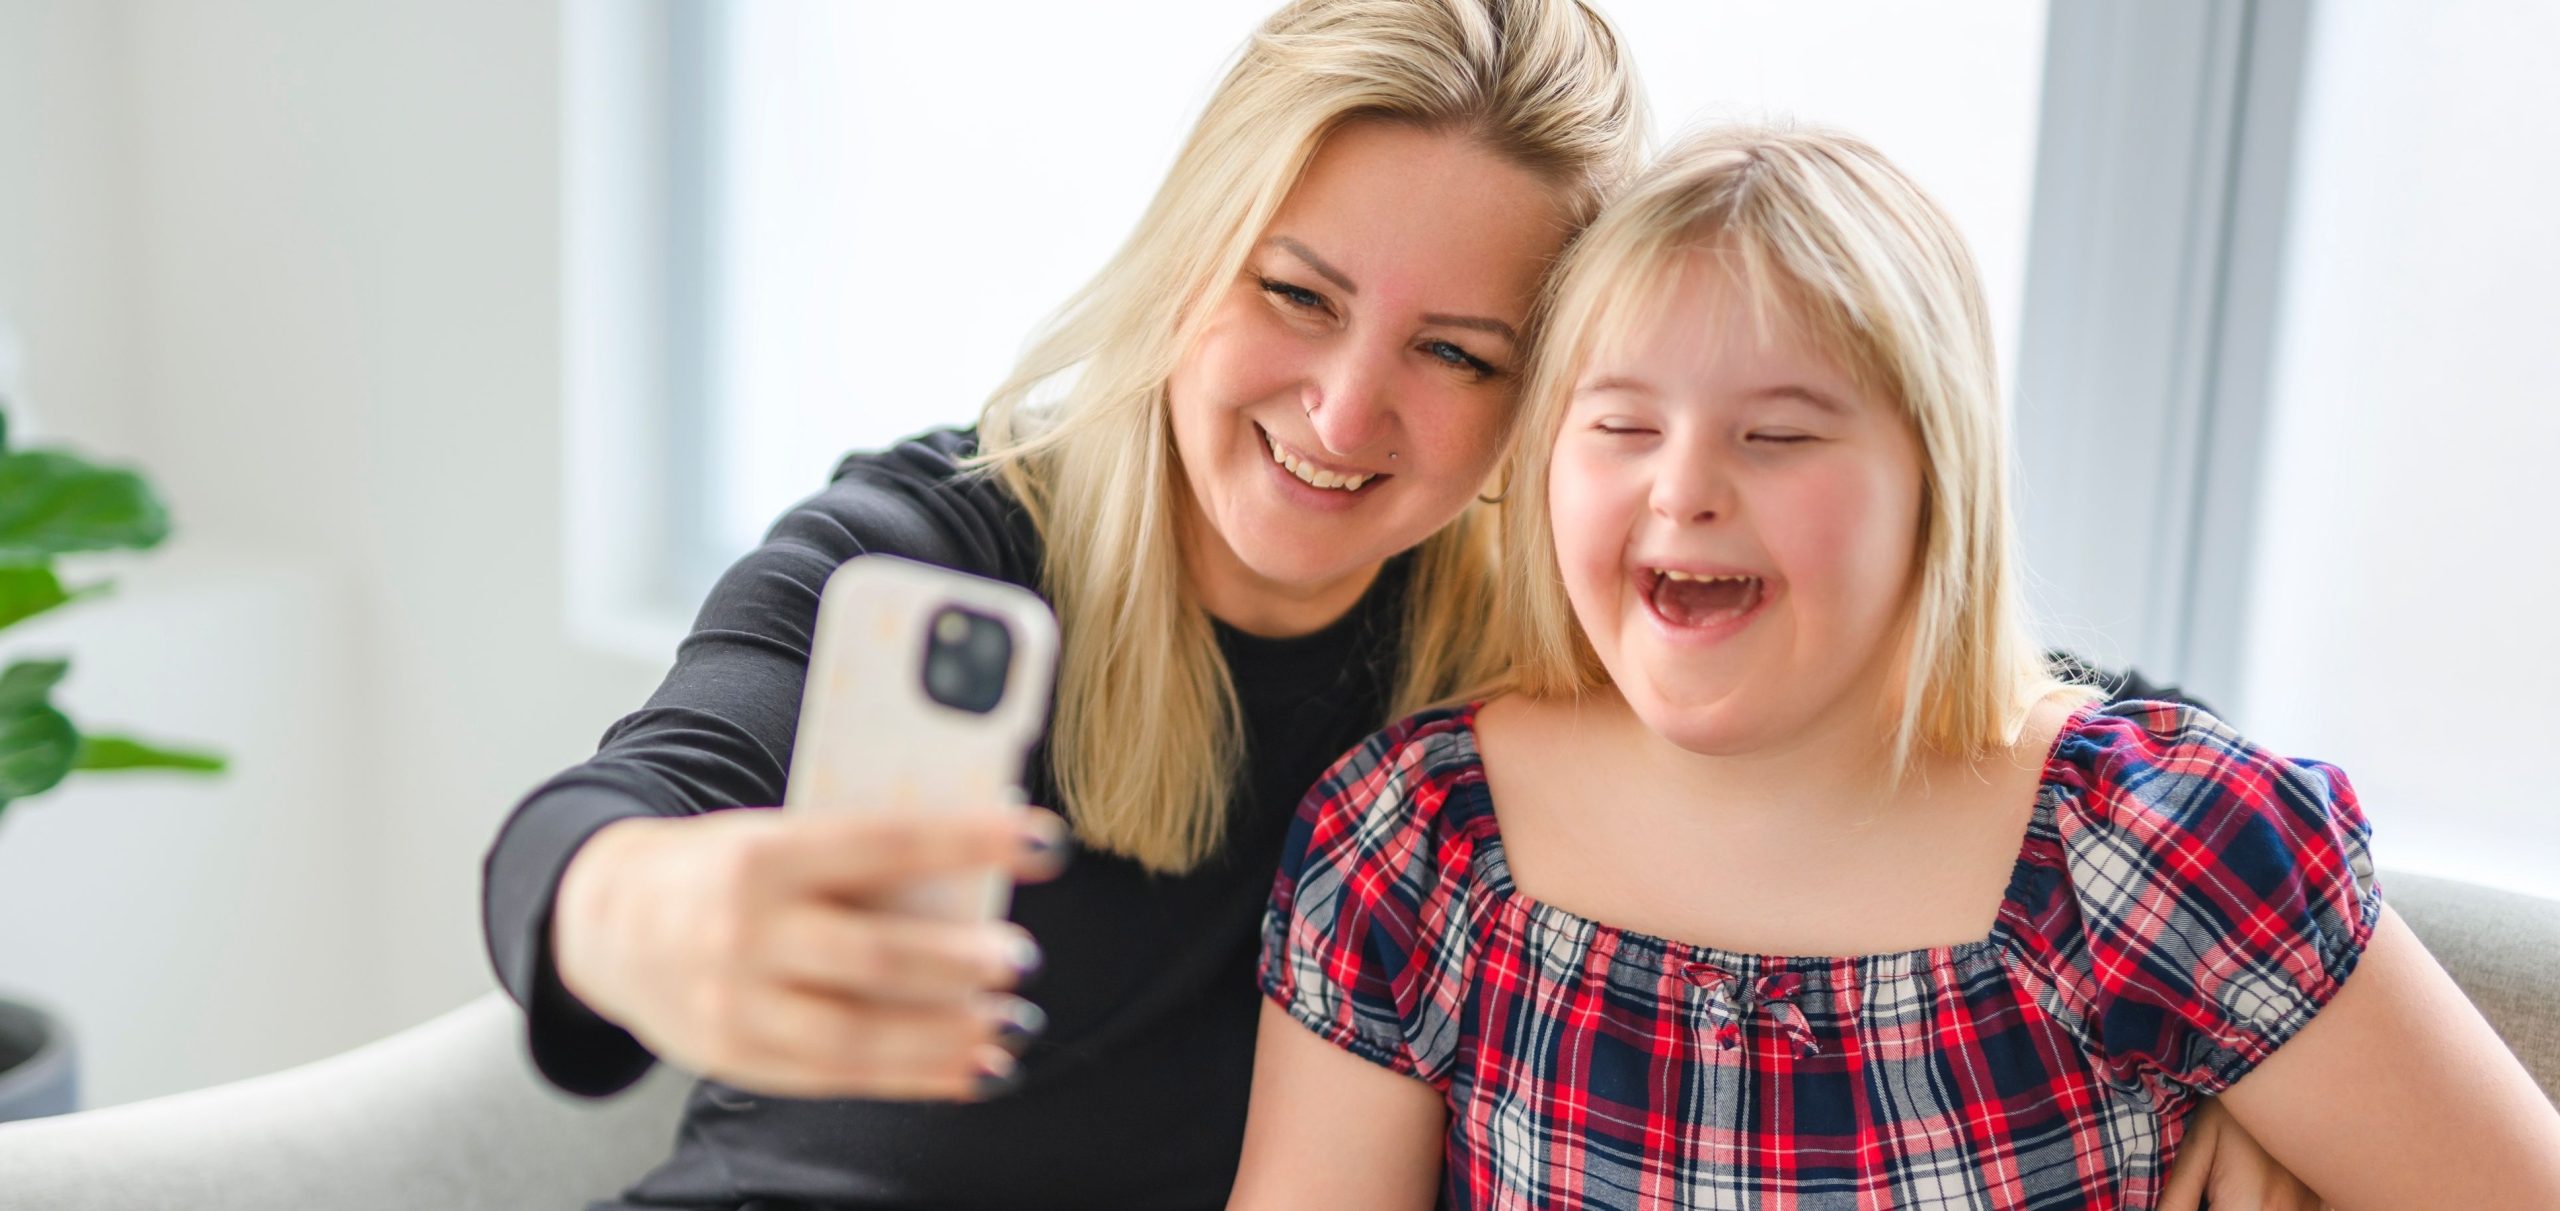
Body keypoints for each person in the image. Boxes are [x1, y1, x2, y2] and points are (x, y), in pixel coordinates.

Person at [482, 3, 2317, 1207]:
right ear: (1191, 253)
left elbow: (1985, 690)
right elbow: (618, 806)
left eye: (1456, 351)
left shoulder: (1548, 648)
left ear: (1546, 400)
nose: (1347, 412)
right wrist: (637, 910)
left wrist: (2228, 1046)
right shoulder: (939, 551)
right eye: (1294, 294)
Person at [1234, 123, 2560, 1208]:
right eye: (1623, 423)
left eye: (1781, 436)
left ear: (1937, 485)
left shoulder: (2160, 858)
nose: (1683, 487)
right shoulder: (1416, 844)